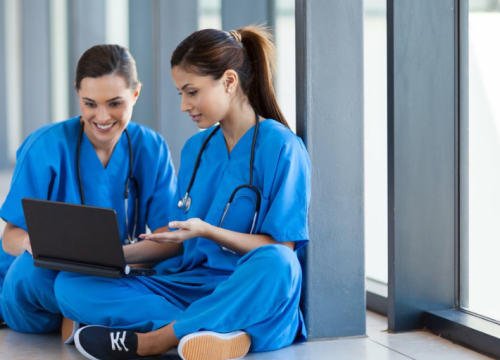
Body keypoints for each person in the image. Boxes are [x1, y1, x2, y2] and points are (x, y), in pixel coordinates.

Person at [55, 25, 311, 360]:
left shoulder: (282, 147)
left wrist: (208, 231)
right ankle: (216, 330)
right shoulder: (197, 149)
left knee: (280, 265)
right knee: (69, 283)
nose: (183, 105)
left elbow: (281, 246)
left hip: (245, 284)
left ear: (230, 82)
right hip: (187, 285)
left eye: (191, 92)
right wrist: (113, 256)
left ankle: (157, 339)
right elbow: (180, 242)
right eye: (180, 94)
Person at [0, 44, 178, 340]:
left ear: (135, 94)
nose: (102, 116)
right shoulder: (45, 146)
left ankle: (83, 318)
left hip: (116, 270)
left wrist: (117, 258)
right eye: (90, 103)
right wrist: (34, 244)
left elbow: (169, 240)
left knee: (176, 268)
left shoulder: (151, 147)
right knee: (32, 272)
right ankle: (100, 317)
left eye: (115, 103)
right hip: (42, 279)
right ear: (78, 97)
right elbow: (9, 237)